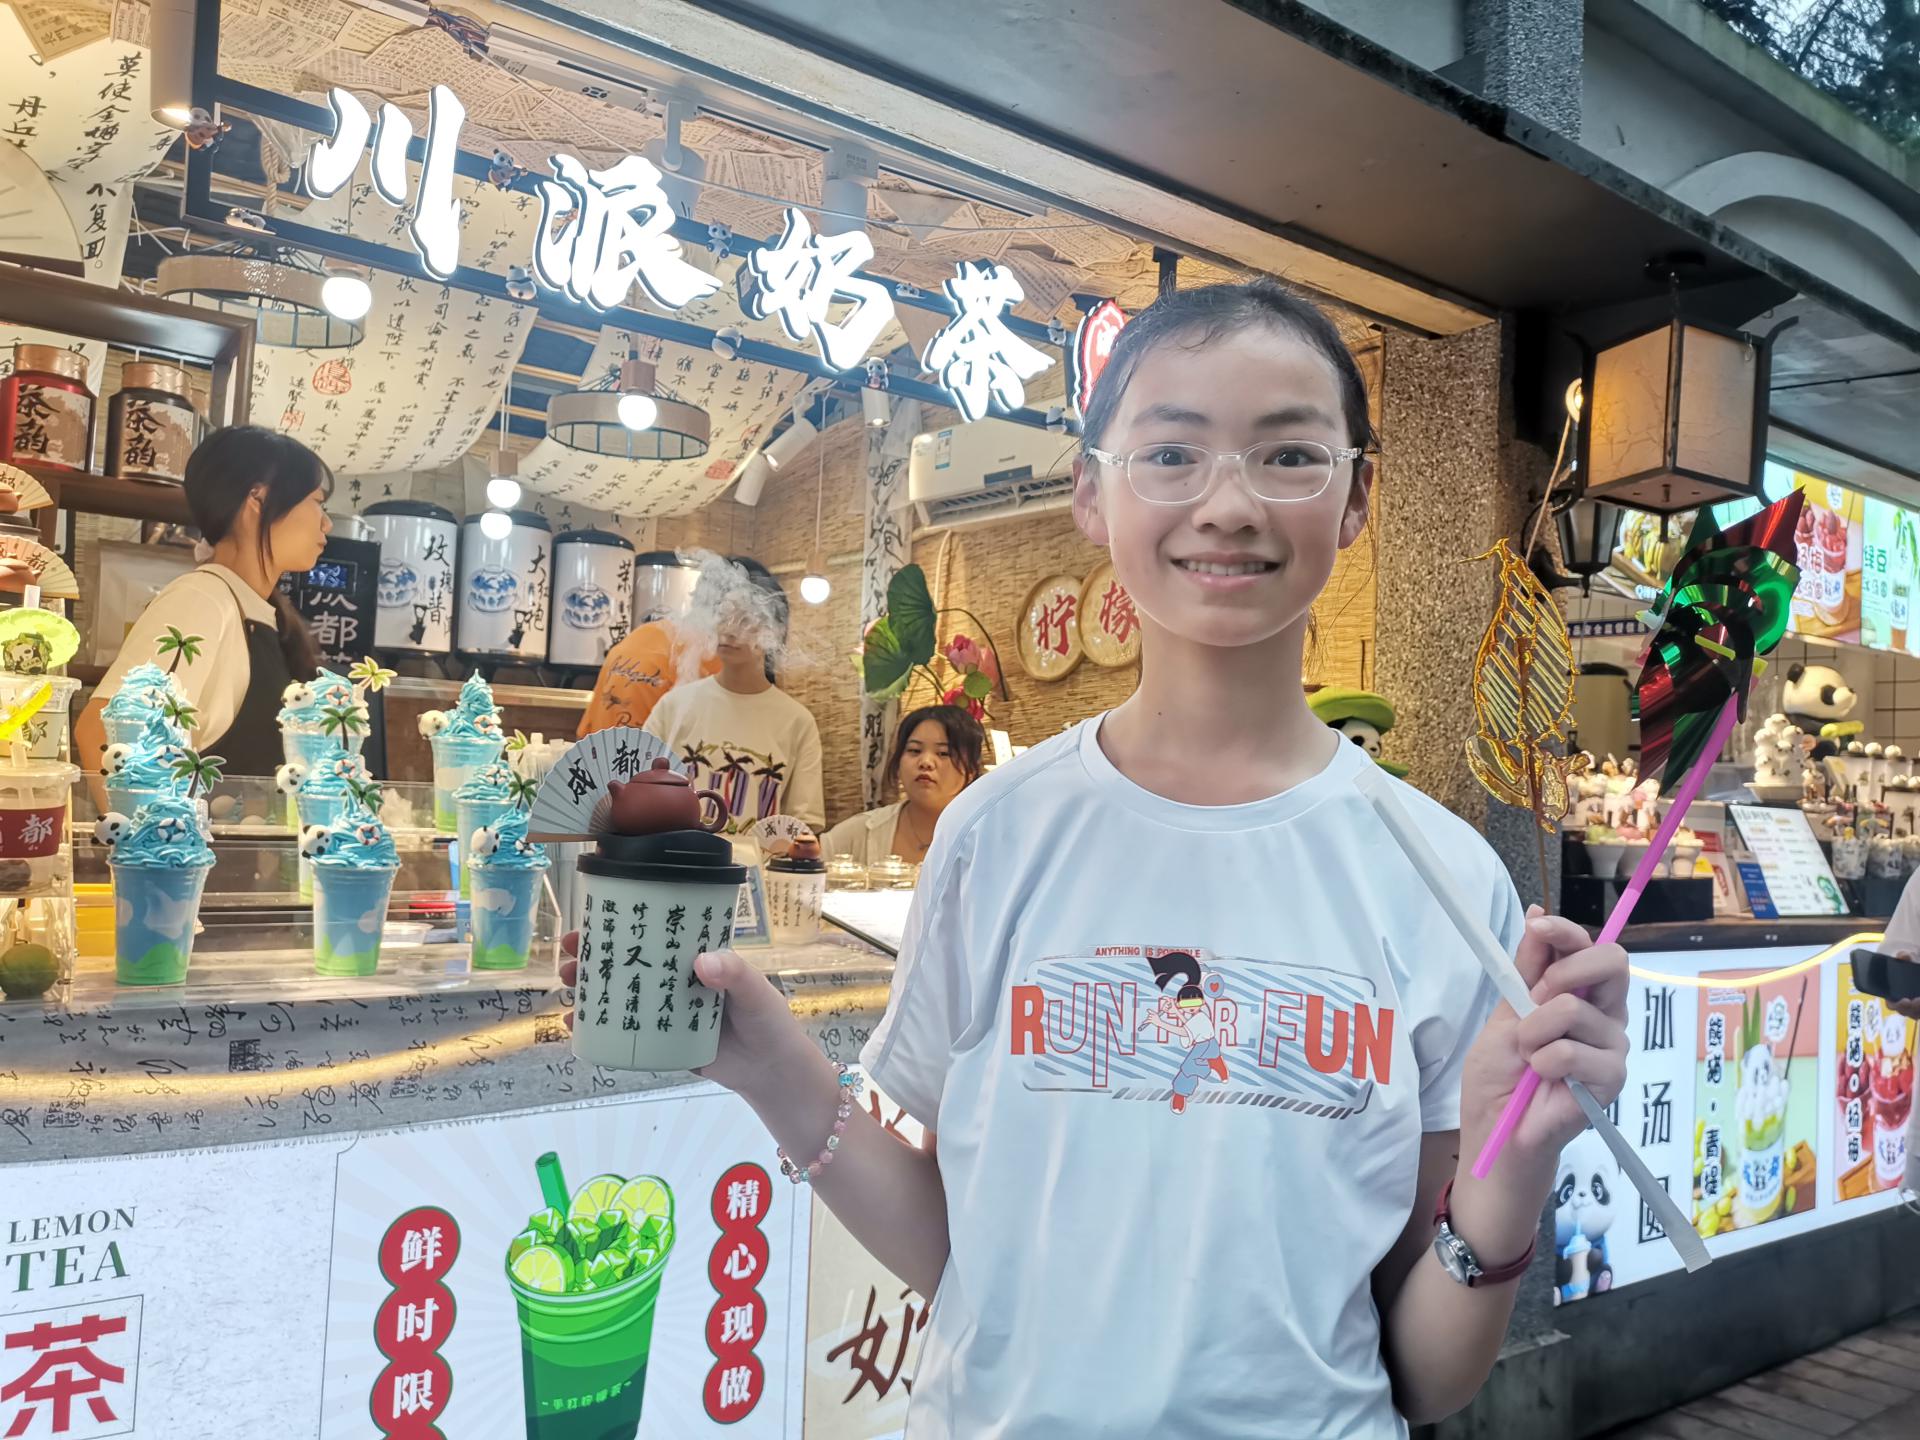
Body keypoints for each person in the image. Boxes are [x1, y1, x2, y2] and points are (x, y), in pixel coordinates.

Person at [568, 280, 1628, 1434]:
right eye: (1171, 454)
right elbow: (960, 1261)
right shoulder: (996, 832)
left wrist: (1508, 1178)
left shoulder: (1441, 877)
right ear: (1090, 489)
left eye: (1288, 456)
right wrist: (772, 1066)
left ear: (1358, 495)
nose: (1228, 504)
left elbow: (1423, 1377)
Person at [76, 427, 330, 776]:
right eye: (317, 502)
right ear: (258, 498)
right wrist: (141, 815)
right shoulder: (202, 599)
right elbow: (102, 734)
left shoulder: (252, 608)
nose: (326, 523)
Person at [643, 555, 824, 832]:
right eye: (723, 616)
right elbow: (640, 793)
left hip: (758, 861)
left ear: (774, 631)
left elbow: (803, 826)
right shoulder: (674, 706)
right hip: (675, 857)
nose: (728, 630)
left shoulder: (797, 722)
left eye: (744, 620)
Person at [822, 704, 985, 865]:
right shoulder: (858, 833)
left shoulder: (988, 837)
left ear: (971, 770)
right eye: (914, 750)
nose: (926, 762)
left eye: (943, 753)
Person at [576, 606, 719, 738]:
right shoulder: (711, 653)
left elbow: (583, 732)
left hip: (598, 751)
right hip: (649, 754)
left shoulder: (642, 633)